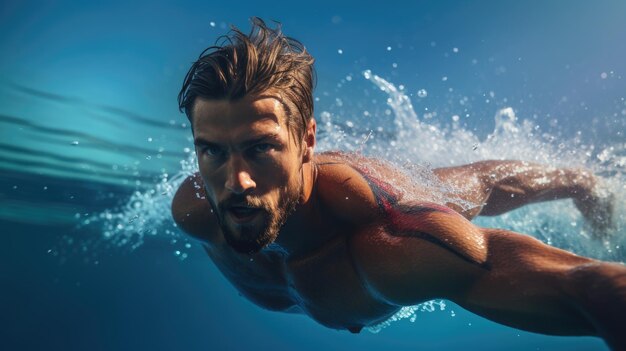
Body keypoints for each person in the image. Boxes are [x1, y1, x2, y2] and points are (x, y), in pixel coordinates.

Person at [171, 18, 625, 350]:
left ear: (307, 139)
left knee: (475, 185)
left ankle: (581, 182)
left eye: (260, 148)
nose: (236, 181)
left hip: (382, 192)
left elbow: (581, 286)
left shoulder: (388, 238)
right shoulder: (196, 212)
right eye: (212, 150)